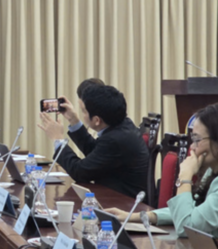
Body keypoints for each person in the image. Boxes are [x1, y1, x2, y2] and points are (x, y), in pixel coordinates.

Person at [107, 103, 218, 238]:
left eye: (196, 140)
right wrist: (137, 216)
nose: (192, 148)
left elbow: (187, 228)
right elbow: (194, 211)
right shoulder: (210, 172)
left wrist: (185, 178)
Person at [38, 84, 148, 198]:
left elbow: (79, 172)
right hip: (113, 195)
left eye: (84, 111)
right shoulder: (123, 124)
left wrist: (58, 139)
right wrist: (73, 120)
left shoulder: (115, 140)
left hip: (124, 203)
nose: (82, 115)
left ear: (96, 120)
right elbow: (96, 153)